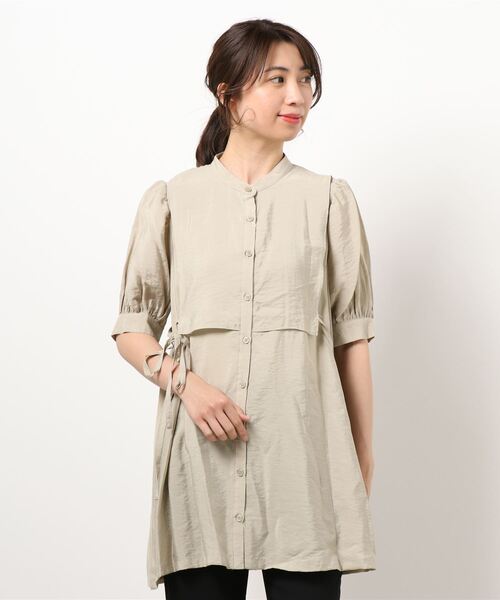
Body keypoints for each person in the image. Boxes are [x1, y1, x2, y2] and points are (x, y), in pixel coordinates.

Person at [110, 18, 376, 600]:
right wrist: (187, 386)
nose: (297, 96)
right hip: (199, 467)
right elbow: (132, 328)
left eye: (305, 79)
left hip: (304, 467)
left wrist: (361, 458)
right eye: (277, 79)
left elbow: (350, 340)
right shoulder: (172, 200)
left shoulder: (328, 200)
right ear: (227, 93)